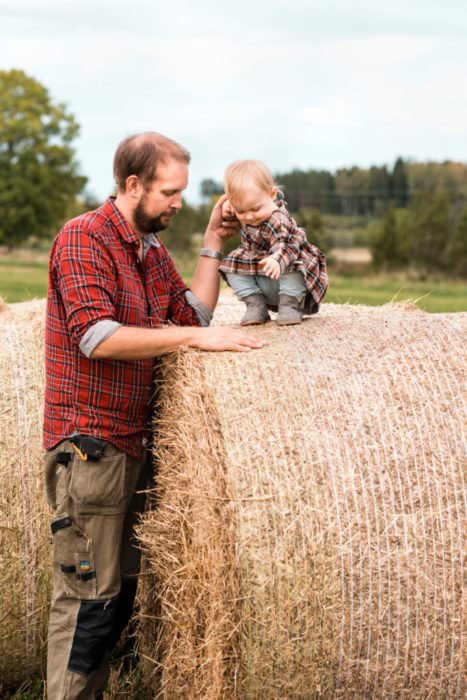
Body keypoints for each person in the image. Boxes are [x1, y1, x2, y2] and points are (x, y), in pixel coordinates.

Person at [43, 132, 263, 700]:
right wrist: (191, 337)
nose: (177, 203)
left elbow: (192, 312)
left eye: (183, 193)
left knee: (119, 600)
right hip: (90, 444)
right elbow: (96, 337)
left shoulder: (149, 250)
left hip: (134, 442)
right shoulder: (83, 239)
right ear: (133, 184)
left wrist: (214, 240)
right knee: (88, 600)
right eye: (169, 191)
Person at [219, 159, 328, 325]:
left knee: (293, 262)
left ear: (272, 195)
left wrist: (277, 259)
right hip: (265, 274)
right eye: (241, 211)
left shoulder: (277, 219)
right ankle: (256, 306)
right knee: (230, 264)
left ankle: (290, 306)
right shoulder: (249, 209)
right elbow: (239, 206)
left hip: (288, 270)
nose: (249, 217)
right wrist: (228, 206)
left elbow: (285, 243)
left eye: (255, 209)